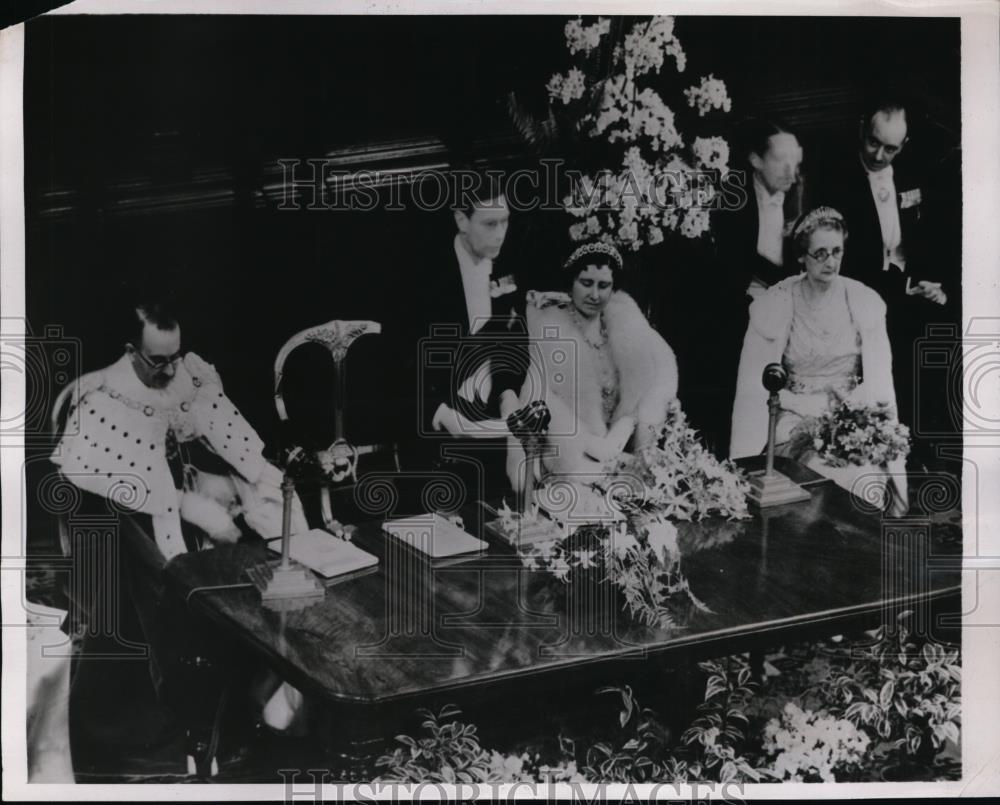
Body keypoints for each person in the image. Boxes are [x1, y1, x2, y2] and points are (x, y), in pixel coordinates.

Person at [730, 207, 908, 515]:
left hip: (849, 414)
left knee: (862, 473)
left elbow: (880, 378)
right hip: (793, 415)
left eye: (837, 252)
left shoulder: (862, 300)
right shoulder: (778, 301)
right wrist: (804, 410)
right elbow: (756, 383)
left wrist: (854, 415)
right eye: (820, 254)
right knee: (821, 472)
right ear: (802, 256)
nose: (831, 262)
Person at [814, 97, 952, 455]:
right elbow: (841, 257)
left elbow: (933, 235)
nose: (878, 155)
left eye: (890, 148)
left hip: (913, 288)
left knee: (943, 332)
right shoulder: (836, 178)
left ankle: (926, 447)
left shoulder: (914, 173)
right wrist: (904, 286)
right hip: (866, 291)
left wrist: (934, 283)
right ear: (862, 129)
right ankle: (881, 450)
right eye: (874, 142)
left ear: (903, 146)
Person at [395, 167, 529, 500]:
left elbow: (514, 344)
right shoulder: (422, 274)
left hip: (492, 419)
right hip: (436, 425)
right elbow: (396, 360)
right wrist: (441, 414)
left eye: (506, 221)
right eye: (489, 223)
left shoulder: (509, 262)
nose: (501, 234)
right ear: (461, 220)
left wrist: (508, 397)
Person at [512, 240, 678, 482]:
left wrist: (621, 434)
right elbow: (539, 397)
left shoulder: (629, 326)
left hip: (623, 455)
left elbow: (656, 379)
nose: (595, 295)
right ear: (571, 283)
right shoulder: (550, 328)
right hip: (573, 462)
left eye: (604, 285)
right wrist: (592, 446)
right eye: (586, 283)